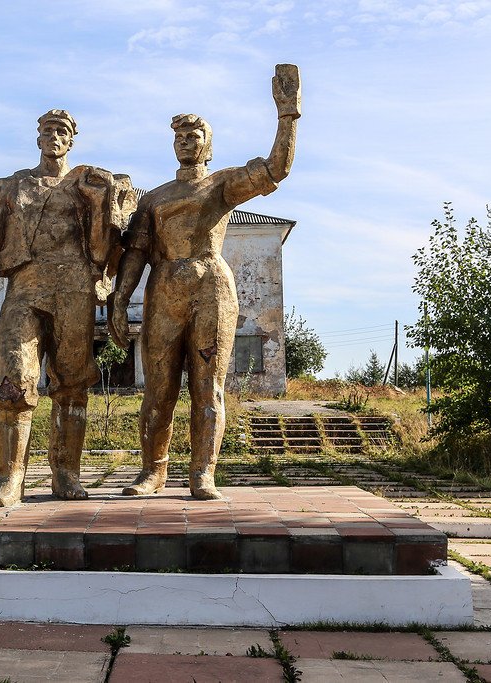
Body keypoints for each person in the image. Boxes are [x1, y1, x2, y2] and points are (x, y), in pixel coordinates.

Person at [110, 65, 301, 500]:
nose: (184, 141)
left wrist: (287, 115)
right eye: (178, 136)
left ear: (208, 146)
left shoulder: (220, 184)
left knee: (206, 386)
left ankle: (202, 473)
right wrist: (119, 301)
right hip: (164, 290)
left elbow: (276, 170)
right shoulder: (154, 197)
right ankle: (153, 472)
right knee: (158, 388)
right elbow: (136, 251)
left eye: (194, 136)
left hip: (211, 287)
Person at [0, 109, 134, 507]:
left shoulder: (89, 183)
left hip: (76, 291)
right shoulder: (8, 188)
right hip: (25, 290)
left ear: (71, 139)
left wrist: (108, 201)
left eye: (62, 131)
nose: (54, 137)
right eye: (48, 130)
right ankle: (8, 479)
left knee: (72, 385)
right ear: (38, 138)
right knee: (14, 378)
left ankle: (66, 474)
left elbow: (118, 239)